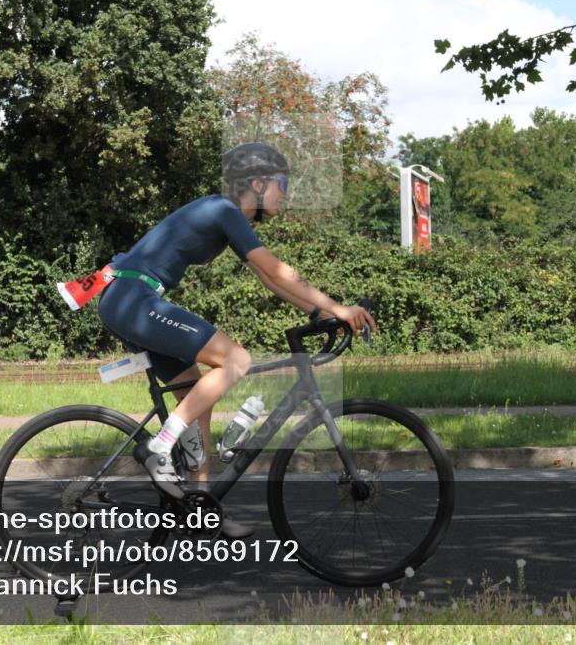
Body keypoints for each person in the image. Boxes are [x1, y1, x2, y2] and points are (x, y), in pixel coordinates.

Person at [95, 142, 376, 538]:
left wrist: (320, 313)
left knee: (198, 401)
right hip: (133, 299)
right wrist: (338, 307)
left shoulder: (223, 216)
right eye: (282, 183)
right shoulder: (225, 210)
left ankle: (199, 507)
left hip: (128, 299)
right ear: (257, 183)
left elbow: (268, 278)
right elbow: (276, 269)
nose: (286, 193)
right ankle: (159, 446)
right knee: (235, 360)